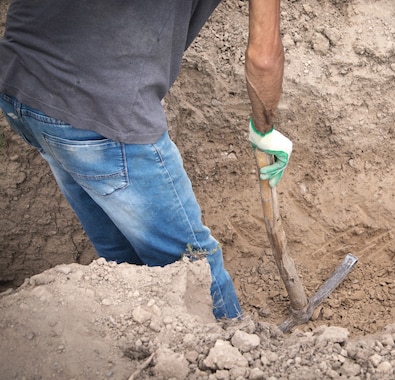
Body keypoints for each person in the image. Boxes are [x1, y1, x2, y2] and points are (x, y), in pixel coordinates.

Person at [0, 0, 292, 320]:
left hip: (18, 83)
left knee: (122, 261)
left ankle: (145, 342)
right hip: (100, 104)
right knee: (193, 270)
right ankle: (233, 358)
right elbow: (264, 59)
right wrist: (264, 131)